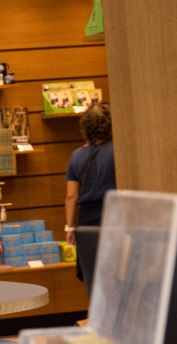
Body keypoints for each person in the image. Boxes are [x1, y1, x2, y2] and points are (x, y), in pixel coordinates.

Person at [64, 102, 115, 281]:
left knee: (92, 273)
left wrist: (70, 227)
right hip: (112, 214)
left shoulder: (76, 156)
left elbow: (71, 196)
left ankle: (94, 307)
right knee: (114, 270)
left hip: (86, 219)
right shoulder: (117, 151)